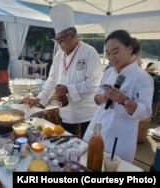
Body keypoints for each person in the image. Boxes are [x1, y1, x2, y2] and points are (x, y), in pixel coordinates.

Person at [24, 4, 103, 138]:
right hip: (66, 110)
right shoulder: (59, 55)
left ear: (72, 35)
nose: (60, 45)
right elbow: (52, 80)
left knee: (87, 147)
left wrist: (69, 89)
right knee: (67, 142)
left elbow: (94, 83)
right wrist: (39, 99)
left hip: (86, 111)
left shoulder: (89, 52)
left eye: (61, 40)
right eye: (57, 41)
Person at [83, 30, 154, 163]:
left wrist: (124, 100)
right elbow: (96, 95)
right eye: (108, 53)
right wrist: (104, 96)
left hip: (119, 138)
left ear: (129, 48)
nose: (111, 58)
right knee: (89, 163)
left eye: (115, 52)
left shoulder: (142, 77)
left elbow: (145, 112)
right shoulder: (109, 72)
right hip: (97, 128)